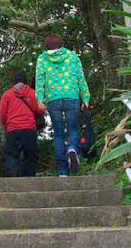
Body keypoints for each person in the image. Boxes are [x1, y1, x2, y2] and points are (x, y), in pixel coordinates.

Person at [35, 33, 90, 177]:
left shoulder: (42, 59)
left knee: (58, 134)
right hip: (72, 96)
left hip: (53, 99)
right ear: (61, 43)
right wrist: (85, 96)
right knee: (73, 130)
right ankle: (72, 149)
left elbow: (39, 80)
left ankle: (62, 171)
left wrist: (40, 100)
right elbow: (80, 77)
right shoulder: (72, 56)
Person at [0, 72, 46, 177]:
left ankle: (13, 178)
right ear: (25, 82)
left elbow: (2, 114)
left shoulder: (7, 94)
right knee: (30, 156)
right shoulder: (32, 93)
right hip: (29, 129)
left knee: (11, 155)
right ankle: (28, 179)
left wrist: (7, 125)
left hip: (13, 129)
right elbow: (39, 110)